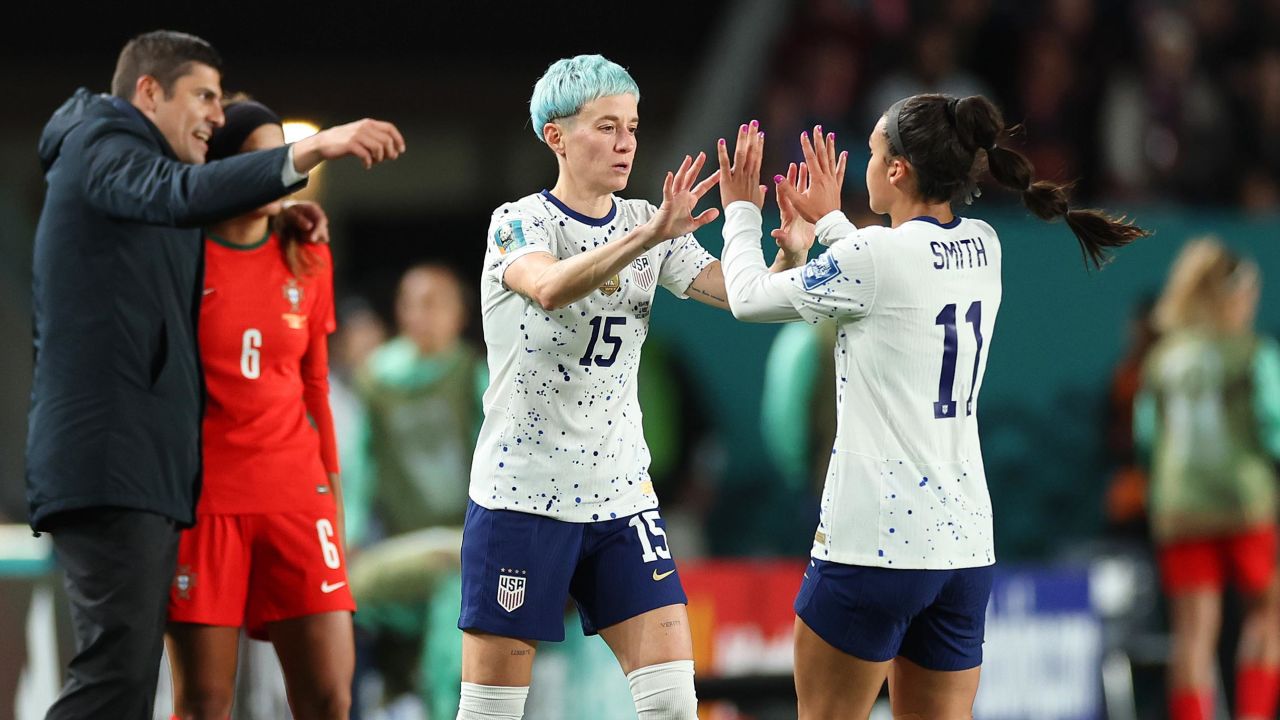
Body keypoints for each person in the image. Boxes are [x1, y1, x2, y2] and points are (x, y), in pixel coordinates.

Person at [714, 95, 1147, 718]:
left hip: (874, 546)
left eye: (871, 150)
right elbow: (895, 276)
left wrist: (737, 213)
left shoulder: (872, 258)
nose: (863, 162)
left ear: (897, 171)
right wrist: (833, 225)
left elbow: (750, 299)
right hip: (963, 549)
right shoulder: (985, 245)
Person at [26, 29, 403, 719]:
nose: (213, 113)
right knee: (123, 682)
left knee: (128, 680)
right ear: (148, 91)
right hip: (137, 474)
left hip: (207, 482)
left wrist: (282, 213)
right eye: (202, 97)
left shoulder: (273, 247)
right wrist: (308, 150)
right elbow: (174, 192)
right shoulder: (104, 145)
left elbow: (190, 207)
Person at [457, 54, 805, 720]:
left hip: (621, 498)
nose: (625, 143)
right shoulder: (519, 222)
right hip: (522, 498)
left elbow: (748, 298)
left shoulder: (651, 220)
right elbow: (550, 287)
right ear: (555, 136)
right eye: (606, 126)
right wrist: (649, 233)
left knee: (674, 703)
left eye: (634, 127)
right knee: (491, 713)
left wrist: (784, 246)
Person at [163, 98, 354, 720]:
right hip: (204, 503)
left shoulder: (306, 252)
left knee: (328, 696)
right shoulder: (177, 259)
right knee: (204, 701)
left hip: (298, 499)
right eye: (259, 159)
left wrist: (332, 492)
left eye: (284, 155)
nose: (281, 170)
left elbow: (316, 386)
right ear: (222, 170)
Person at [1135, 238, 1280, 720]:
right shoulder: (1250, 353)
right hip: (1245, 505)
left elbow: (1146, 437)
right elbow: (1272, 426)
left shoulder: (1162, 358)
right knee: (1267, 613)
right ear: (1234, 297)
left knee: (1193, 633)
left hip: (1179, 508)